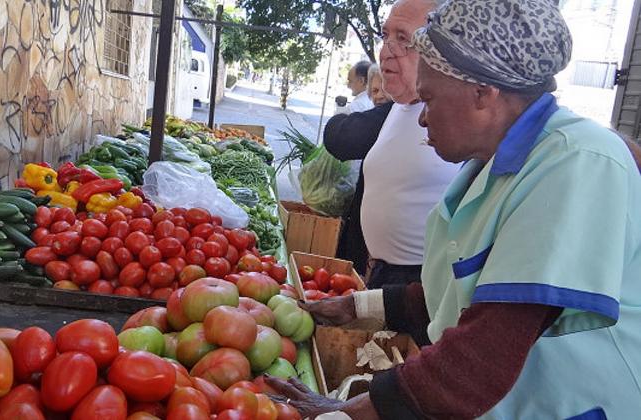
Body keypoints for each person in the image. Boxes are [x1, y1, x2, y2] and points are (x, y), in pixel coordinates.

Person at [266, 0, 641, 419]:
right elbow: (454, 292)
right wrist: (355, 308)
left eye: (428, 99)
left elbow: (485, 350)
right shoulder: (490, 165)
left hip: (568, 404)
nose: (422, 119)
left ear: (483, 93)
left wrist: (338, 415)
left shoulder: (580, 163)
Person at [357, 0, 458, 288]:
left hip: (420, 286)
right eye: (385, 35)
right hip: (383, 275)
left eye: (403, 39)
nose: (386, 50)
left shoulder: (457, 118)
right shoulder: (398, 106)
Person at [325, 66, 393, 275]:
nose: (379, 96)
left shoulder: (392, 117)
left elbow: (339, 138)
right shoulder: (381, 118)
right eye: (374, 91)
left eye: (384, 89)